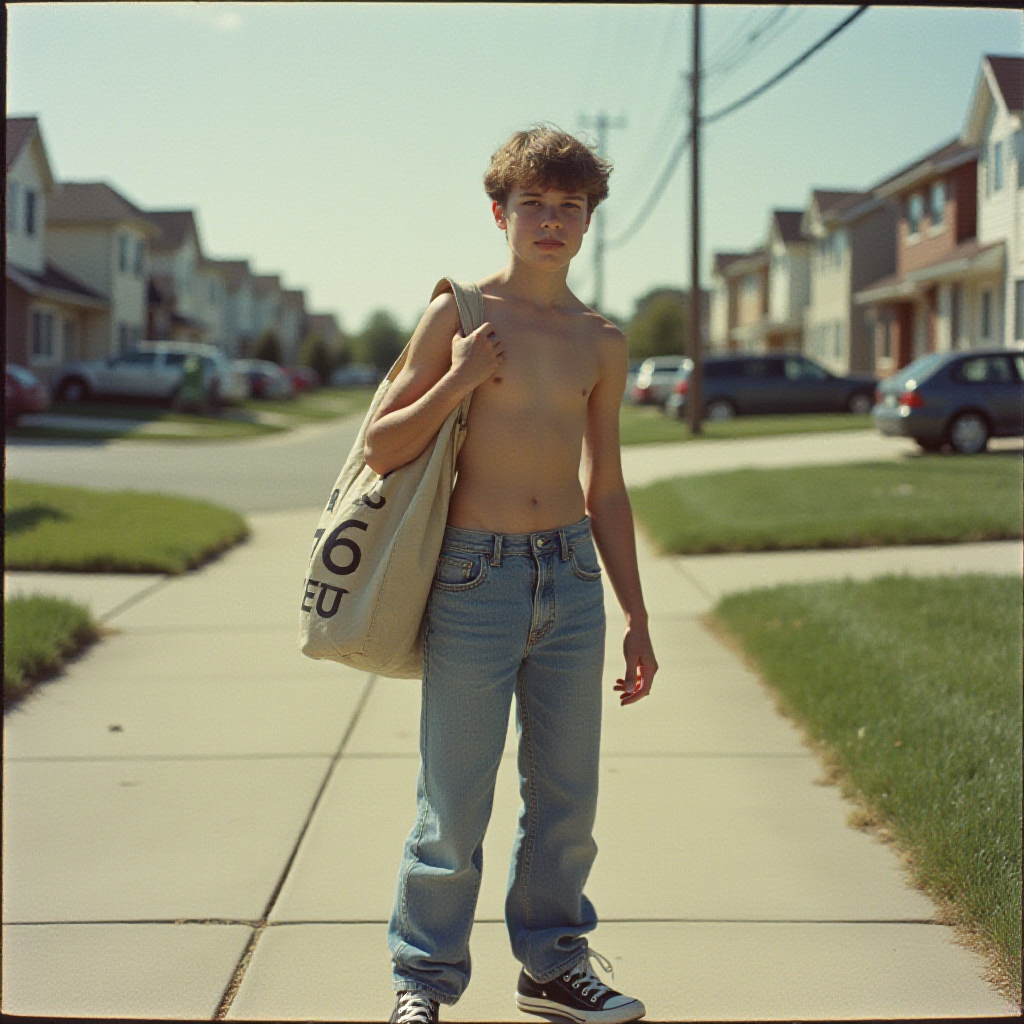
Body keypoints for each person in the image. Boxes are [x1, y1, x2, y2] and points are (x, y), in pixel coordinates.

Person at [364, 125, 658, 1024]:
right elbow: (381, 447)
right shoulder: (458, 314)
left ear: (587, 222)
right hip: (473, 578)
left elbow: (605, 487)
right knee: (452, 805)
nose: (551, 220)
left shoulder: (600, 341)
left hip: (568, 578)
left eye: (570, 207)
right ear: (501, 213)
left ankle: (552, 968)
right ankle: (422, 983)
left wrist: (636, 616)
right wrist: (456, 382)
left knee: (568, 798)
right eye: (534, 203)